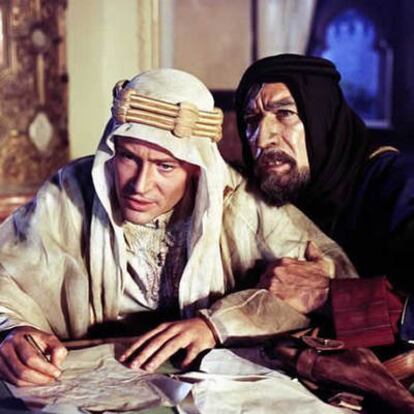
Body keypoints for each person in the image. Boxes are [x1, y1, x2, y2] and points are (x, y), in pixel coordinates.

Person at [0, 68, 355, 387]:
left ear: (197, 169)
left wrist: (218, 324)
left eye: (165, 166)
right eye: (128, 157)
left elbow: (327, 283)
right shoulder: (70, 192)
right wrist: (12, 332)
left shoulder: (243, 204)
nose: (140, 185)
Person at [235, 53, 414, 293]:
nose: (262, 139)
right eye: (251, 119)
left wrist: (328, 294)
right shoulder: (254, 195)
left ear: (323, 120)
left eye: (284, 113)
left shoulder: (399, 187)